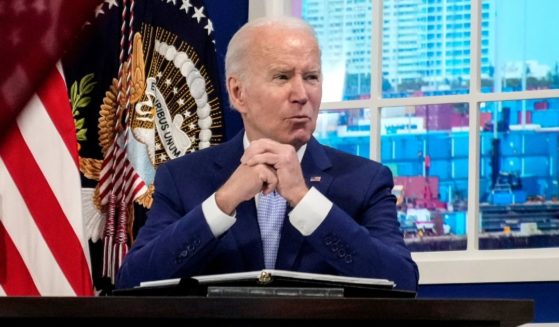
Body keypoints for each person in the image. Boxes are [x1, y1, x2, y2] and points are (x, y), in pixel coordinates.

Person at [116, 16, 419, 291]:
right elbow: (134, 281)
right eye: (282, 77)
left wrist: (304, 200)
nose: (302, 95)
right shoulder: (182, 178)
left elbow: (401, 281)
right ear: (238, 93)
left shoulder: (365, 180)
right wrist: (222, 203)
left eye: (311, 77)